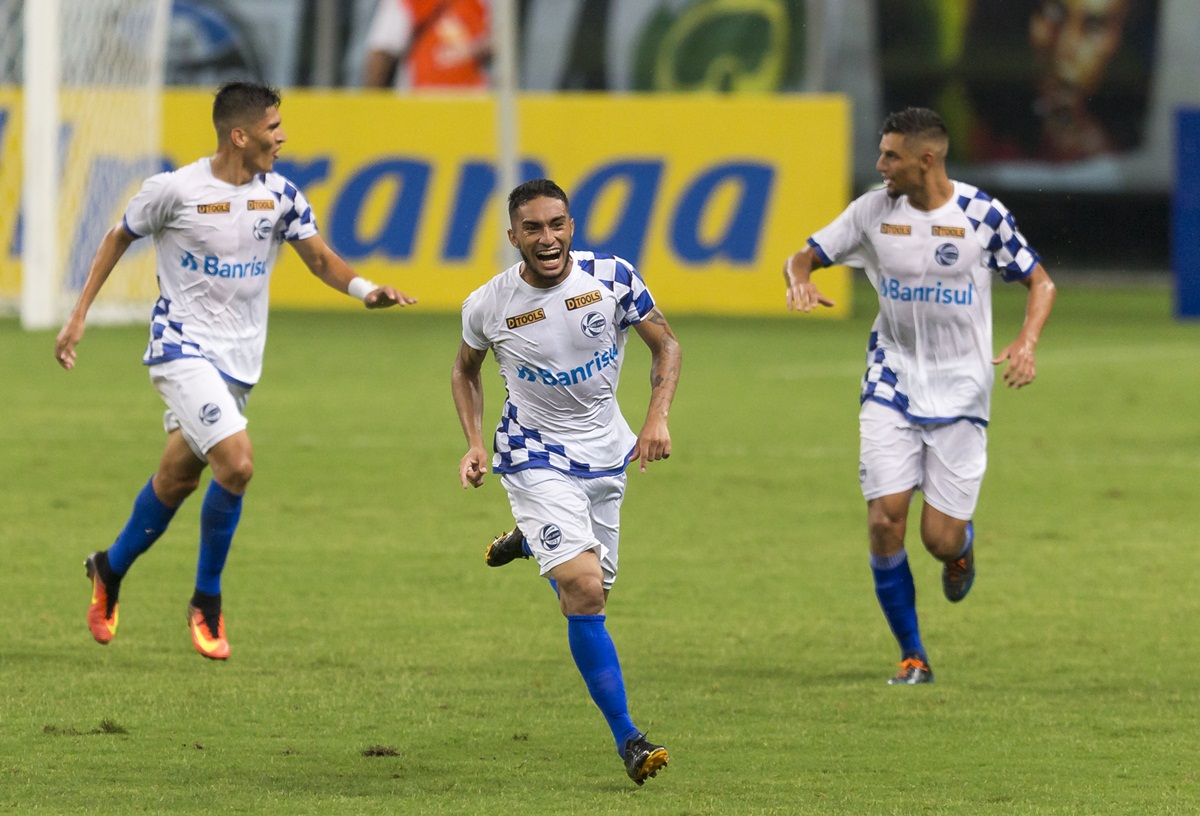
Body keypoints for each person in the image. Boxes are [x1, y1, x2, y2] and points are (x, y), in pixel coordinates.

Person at [54, 81, 416, 660]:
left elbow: (320, 258)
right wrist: (78, 317)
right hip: (181, 350)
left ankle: (108, 567)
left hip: (240, 365)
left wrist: (366, 290)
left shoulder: (282, 196)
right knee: (238, 463)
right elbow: (118, 236)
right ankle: (207, 601)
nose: (284, 137)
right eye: (274, 128)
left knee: (178, 478)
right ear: (239, 135)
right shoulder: (175, 190)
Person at [783, 107, 1056, 685]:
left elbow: (1040, 281)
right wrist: (799, 279)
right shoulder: (872, 210)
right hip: (891, 380)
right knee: (885, 520)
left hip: (962, 391)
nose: (880, 166)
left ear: (926, 160)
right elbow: (805, 253)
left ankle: (961, 550)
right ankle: (913, 655)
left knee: (938, 538)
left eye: (891, 156)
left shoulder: (981, 214)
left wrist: (1027, 341)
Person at [451, 178, 681, 784]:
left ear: (571, 227)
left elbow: (667, 345)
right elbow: (465, 371)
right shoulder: (489, 303)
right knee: (582, 591)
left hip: (607, 454)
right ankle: (629, 738)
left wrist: (656, 416)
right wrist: (475, 443)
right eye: (533, 228)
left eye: (557, 224)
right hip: (532, 454)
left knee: (595, 592)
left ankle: (532, 538)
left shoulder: (613, 276)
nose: (547, 238)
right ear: (513, 237)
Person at [361, 0, 491, 91]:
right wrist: (371, 113)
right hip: (421, 108)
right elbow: (383, 51)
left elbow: (501, 42)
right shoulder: (406, 3)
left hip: (476, 108)